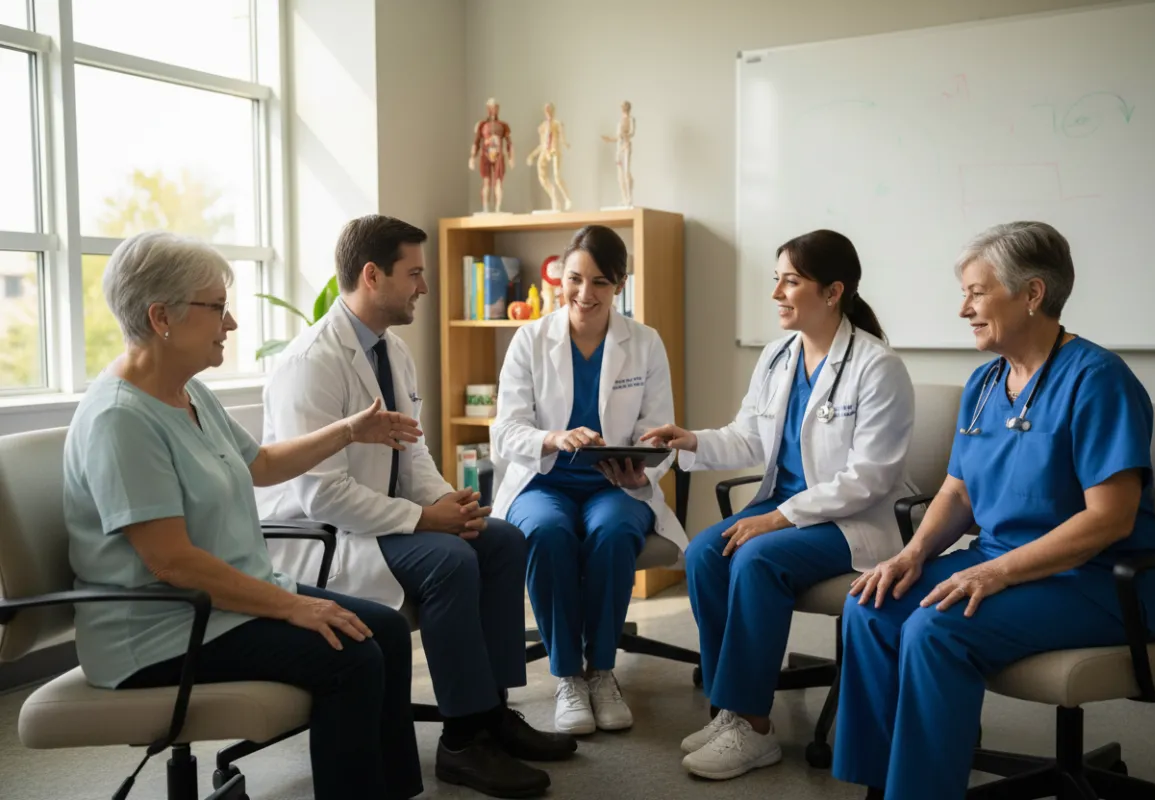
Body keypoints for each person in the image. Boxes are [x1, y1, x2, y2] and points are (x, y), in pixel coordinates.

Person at [63, 230, 424, 800]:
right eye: (217, 308)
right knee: (351, 653)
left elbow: (260, 463)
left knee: (383, 629)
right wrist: (295, 604)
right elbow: (173, 563)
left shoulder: (186, 391)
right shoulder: (119, 420)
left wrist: (351, 429)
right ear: (162, 316)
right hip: (161, 629)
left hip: (223, 604)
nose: (230, 324)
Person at [833, 221, 1155, 800]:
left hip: (1094, 581)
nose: (963, 307)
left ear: (1032, 294)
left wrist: (993, 572)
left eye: (976, 291)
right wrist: (910, 554)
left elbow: (1110, 520)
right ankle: (882, 784)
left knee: (937, 630)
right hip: (997, 562)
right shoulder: (986, 382)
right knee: (872, 604)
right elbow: (958, 493)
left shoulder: (1098, 380)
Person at [256, 215, 573, 799]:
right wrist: (427, 520)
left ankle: (490, 712)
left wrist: (445, 500)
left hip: (379, 521)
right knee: (448, 559)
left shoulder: (391, 349)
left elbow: (412, 448)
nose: (424, 287)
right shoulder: (311, 364)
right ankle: (461, 741)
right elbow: (320, 494)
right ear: (372, 276)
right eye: (415, 274)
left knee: (499, 538)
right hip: (322, 537)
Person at [643, 230, 916, 781]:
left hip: (850, 520)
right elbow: (750, 438)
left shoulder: (876, 366)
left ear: (834, 290)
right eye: (777, 280)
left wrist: (776, 518)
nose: (777, 294)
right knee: (702, 554)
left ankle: (755, 725)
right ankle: (729, 709)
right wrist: (691, 439)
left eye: (791, 281)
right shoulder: (777, 357)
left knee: (757, 558)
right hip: (787, 507)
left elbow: (869, 478)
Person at [491, 224, 687, 735]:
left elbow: (659, 430)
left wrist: (640, 463)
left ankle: (601, 671)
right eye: (574, 279)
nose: (584, 294)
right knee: (546, 533)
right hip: (543, 481)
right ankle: (568, 677)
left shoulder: (643, 343)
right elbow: (506, 431)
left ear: (619, 284)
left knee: (614, 532)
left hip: (612, 485)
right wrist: (552, 438)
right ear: (560, 278)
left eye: (600, 282)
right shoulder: (529, 339)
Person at [469, 97, 514, 213]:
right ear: (488, 108)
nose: (494, 109)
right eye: (492, 107)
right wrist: (472, 157)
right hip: (486, 154)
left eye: (496, 107)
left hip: (499, 155)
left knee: (498, 181)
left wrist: (511, 157)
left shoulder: (503, 125)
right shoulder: (482, 125)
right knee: (486, 181)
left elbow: (509, 142)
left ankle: (498, 208)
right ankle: (486, 208)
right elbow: (477, 141)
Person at [526, 102, 572, 212]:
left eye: (550, 110)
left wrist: (565, 143)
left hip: (554, 150)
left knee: (557, 176)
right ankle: (554, 198)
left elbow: (561, 138)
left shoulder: (557, 124)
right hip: (545, 151)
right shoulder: (542, 127)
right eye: (547, 110)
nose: (548, 112)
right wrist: (532, 155)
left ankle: (567, 198)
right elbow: (542, 144)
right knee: (542, 177)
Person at [601, 101, 635, 207]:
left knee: (626, 172)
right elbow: (618, 137)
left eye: (625, 106)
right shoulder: (620, 121)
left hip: (626, 146)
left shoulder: (630, 119)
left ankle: (629, 198)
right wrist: (609, 139)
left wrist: (625, 135)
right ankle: (624, 199)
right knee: (619, 176)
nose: (623, 108)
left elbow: (632, 132)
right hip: (619, 148)